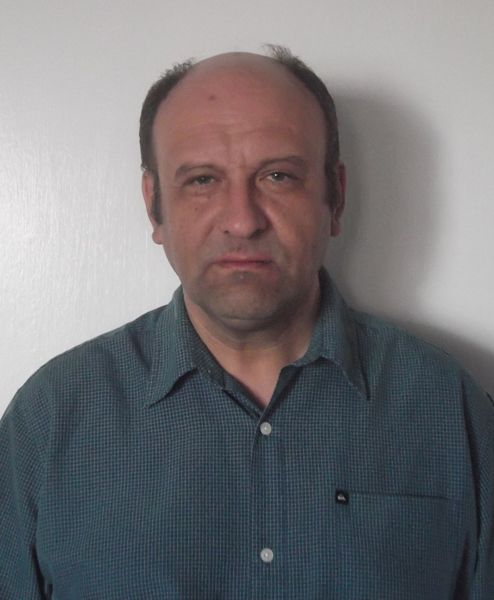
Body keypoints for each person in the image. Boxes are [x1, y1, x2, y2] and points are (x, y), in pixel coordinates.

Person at [1, 46, 493, 599]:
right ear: (154, 205)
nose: (242, 220)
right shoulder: (49, 422)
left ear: (335, 197)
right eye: (202, 180)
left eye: (278, 176)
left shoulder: (449, 410)